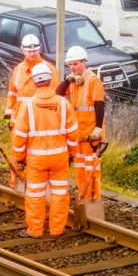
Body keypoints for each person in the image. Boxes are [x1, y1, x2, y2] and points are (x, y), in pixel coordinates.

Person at [12, 63, 79, 238]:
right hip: (59, 157)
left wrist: (19, 158)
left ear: (34, 82)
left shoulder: (28, 105)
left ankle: (35, 230)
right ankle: (57, 229)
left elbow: (19, 135)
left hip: (36, 159)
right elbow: (73, 134)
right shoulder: (63, 104)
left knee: (35, 194)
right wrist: (72, 154)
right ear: (50, 81)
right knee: (59, 193)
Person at [3, 34, 59, 187]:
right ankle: (18, 187)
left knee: (37, 155)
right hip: (19, 120)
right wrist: (8, 112)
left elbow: (54, 97)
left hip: (39, 122)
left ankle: (39, 187)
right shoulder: (18, 70)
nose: (32, 53)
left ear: (39, 49)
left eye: (35, 50)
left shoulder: (49, 69)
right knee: (18, 152)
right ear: (23, 51)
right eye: (29, 51)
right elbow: (12, 93)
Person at [55, 46, 105, 200]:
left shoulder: (93, 80)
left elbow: (99, 104)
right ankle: (83, 198)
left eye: (75, 64)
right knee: (80, 170)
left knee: (92, 170)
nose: (72, 68)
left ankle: (94, 199)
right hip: (78, 136)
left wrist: (98, 129)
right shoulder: (73, 81)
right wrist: (67, 79)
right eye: (70, 65)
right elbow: (57, 94)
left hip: (91, 136)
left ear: (84, 62)